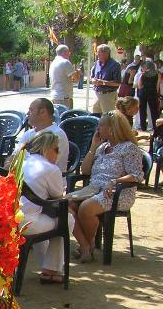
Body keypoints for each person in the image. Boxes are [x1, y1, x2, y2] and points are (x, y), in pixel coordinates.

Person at [70, 111, 145, 263]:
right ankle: (86, 245)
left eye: (101, 125)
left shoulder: (128, 148)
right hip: (94, 189)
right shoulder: (101, 147)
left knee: (85, 208)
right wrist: (93, 147)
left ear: (113, 128)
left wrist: (116, 181)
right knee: (67, 205)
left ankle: (87, 246)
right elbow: (85, 171)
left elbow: (137, 175)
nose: (98, 128)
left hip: (117, 193)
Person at [19, 131, 74, 284]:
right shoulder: (51, 169)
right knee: (67, 219)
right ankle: (51, 269)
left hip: (11, 219)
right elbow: (58, 198)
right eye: (56, 149)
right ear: (47, 148)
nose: (58, 154)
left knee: (49, 217)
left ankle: (48, 267)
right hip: (28, 223)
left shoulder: (22, 162)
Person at [13, 98, 69, 172]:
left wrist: (17, 167)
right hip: (25, 178)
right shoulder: (28, 134)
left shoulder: (57, 135)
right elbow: (13, 156)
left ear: (43, 112)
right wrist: (9, 166)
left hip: (46, 182)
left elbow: (43, 167)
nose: (27, 113)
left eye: (31, 110)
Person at [90, 44, 121, 114]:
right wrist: (93, 80)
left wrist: (103, 82)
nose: (97, 54)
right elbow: (92, 76)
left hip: (108, 96)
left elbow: (118, 82)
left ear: (106, 53)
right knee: (95, 116)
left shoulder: (115, 65)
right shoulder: (97, 63)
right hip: (97, 94)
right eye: (97, 52)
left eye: (99, 53)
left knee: (108, 118)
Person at [136, 59, 160, 132]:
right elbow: (157, 86)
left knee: (142, 110)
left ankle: (143, 127)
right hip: (152, 93)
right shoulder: (157, 74)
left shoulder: (143, 74)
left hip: (143, 93)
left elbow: (139, 85)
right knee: (154, 110)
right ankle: (156, 127)